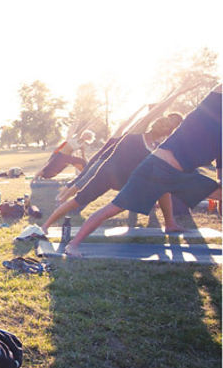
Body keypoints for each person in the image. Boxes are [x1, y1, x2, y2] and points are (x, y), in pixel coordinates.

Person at [66, 85, 222, 256]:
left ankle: (170, 225)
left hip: (183, 176)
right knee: (114, 207)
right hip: (155, 169)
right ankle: (73, 244)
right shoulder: (206, 113)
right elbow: (218, 88)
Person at [40, 114, 183, 232]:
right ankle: (46, 225)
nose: (161, 125)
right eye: (160, 122)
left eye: (166, 126)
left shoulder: (157, 147)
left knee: (163, 188)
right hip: (107, 175)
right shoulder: (137, 133)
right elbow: (154, 112)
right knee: (79, 200)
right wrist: (177, 92)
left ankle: (170, 224)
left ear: (167, 131)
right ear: (154, 123)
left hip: (127, 180)